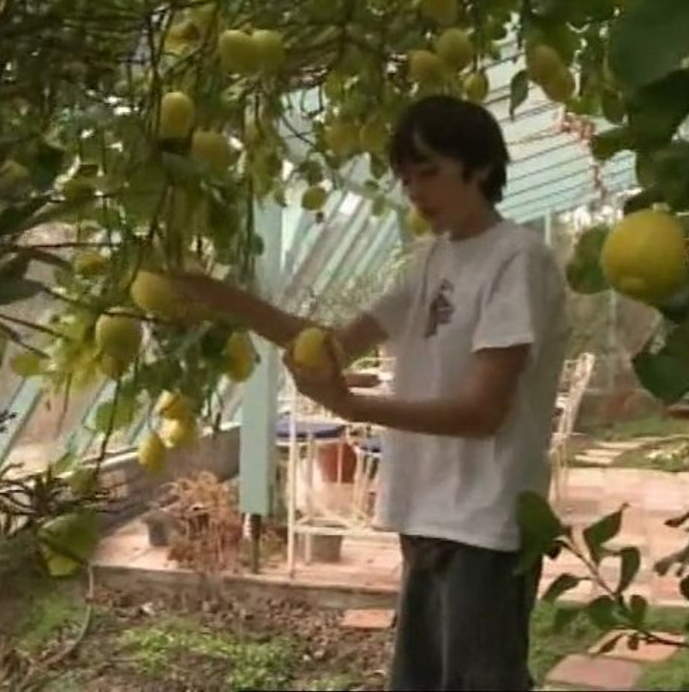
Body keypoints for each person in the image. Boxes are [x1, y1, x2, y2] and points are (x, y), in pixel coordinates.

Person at [171, 94, 572, 691]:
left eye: (428, 172)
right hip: (428, 514)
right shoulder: (434, 259)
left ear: (481, 167)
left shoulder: (518, 260)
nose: (414, 189)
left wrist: (355, 408)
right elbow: (332, 345)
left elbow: (484, 410)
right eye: (407, 179)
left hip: (487, 522)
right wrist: (222, 298)